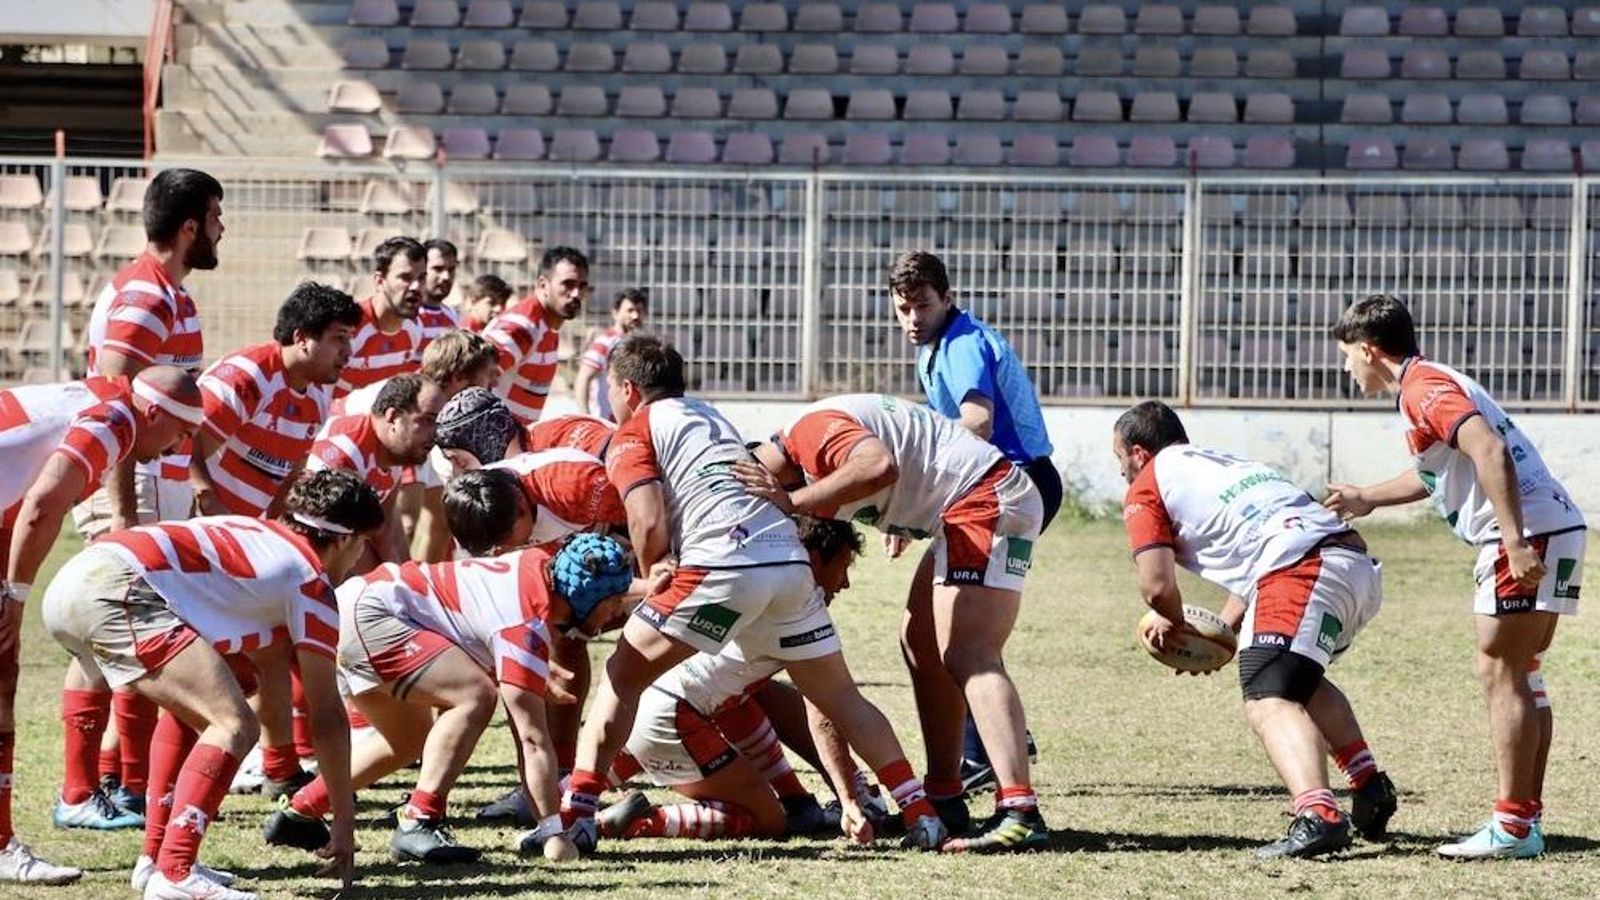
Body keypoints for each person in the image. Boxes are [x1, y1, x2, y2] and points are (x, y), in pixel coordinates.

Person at [558, 336, 947, 854]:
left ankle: (577, 814)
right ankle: (920, 812)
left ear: (626, 388)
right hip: (786, 564)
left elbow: (646, 518)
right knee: (841, 697)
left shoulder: (636, 430)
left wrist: (653, 575)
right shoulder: (710, 416)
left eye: (610, 390)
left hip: (723, 563)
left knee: (621, 678)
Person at [1323, 294, 1585, 860]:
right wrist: (1368, 496)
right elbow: (1440, 471)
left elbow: (1488, 450)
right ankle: (1525, 821)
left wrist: (1513, 540)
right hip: (1558, 526)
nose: (1346, 368)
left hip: (1525, 532)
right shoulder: (1432, 384)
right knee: (1523, 672)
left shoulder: (1422, 389)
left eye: (1347, 356)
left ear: (1369, 350)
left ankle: (1512, 829)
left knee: (1500, 671)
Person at [41, 469, 383, 900]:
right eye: (364, 542)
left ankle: (157, 860)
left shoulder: (260, 532)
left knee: (206, 706)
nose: (361, 555)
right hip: (116, 589)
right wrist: (345, 819)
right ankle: (177, 873)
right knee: (235, 724)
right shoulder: (311, 581)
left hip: (75, 581)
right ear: (344, 539)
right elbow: (328, 716)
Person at [735, 392, 1045, 852]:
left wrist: (790, 500)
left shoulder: (806, 434)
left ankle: (1020, 812)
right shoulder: (803, 453)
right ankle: (944, 796)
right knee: (919, 642)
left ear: (760, 472)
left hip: (982, 498)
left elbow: (880, 466)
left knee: (970, 654)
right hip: (966, 506)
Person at [1113, 400, 1392, 859]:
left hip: (1302, 567)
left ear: (1139, 453)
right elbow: (1258, 556)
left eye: (1120, 460)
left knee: (1269, 697)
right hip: (1351, 566)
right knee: (1296, 680)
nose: (1122, 472)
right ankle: (1368, 785)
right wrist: (1219, 632)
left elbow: (1157, 586)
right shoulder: (1226, 465)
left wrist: (1176, 622)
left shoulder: (1148, 484)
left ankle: (1318, 814)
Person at [262, 534, 649, 865]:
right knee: (475, 696)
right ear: (583, 595)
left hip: (361, 608)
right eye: (613, 599)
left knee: (407, 740)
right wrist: (552, 830)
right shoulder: (523, 623)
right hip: (374, 614)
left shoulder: (541, 570)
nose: (617, 610)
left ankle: (300, 811)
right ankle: (419, 820)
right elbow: (530, 739)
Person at [0, 368, 201, 884]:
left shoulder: (106, 394)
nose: (174, 450)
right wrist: (16, 595)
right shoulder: (115, 419)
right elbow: (42, 505)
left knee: (3, 677)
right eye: (179, 434)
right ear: (154, 413)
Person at [74, 169, 223, 820]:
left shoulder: (173, 294)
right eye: (216, 216)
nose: (223, 228)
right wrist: (123, 516)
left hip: (151, 487)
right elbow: (112, 408)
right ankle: (86, 791)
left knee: (138, 635)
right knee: (118, 632)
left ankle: (120, 781)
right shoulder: (145, 296)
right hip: (125, 487)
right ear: (189, 226)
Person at [887, 251, 1057, 792]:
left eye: (923, 305)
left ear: (948, 297)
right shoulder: (939, 344)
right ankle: (990, 742)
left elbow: (975, 426)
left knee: (948, 635)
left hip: (1007, 490)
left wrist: (912, 499)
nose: (913, 317)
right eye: (903, 307)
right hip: (994, 492)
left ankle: (980, 753)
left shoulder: (960, 345)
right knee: (937, 627)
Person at [598, 517, 869, 843]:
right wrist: (854, 794)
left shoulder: (743, 578)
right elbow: (824, 711)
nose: (845, 583)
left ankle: (564, 796)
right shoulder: (792, 611)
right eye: (842, 566)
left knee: (745, 695)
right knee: (768, 820)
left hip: (657, 702)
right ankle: (646, 821)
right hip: (673, 715)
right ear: (811, 560)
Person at [190, 282, 359, 518]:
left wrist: (271, 531)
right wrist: (210, 505)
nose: (348, 351)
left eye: (350, 338)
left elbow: (289, 477)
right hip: (195, 525)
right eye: (339, 338)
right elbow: (186, 446)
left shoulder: (318, 396)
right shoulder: (246, 379)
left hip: (243, 534)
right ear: (301, 338)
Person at [307, 373, 445, 563]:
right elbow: (330, 548)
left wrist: (407, 581)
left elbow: (388, 529)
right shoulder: (346, 451)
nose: (436, 434)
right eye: (428, 420)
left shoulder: (392, 452)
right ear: (393, 417)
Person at [483, 246, 589, 424]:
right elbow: (471, 379)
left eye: (582, 286)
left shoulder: (548, 328)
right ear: (543, 284)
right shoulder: (523, 326)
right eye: (567, 284)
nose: (576, 294)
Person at [337, 237, 426, 397]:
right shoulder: (348, 328)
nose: (416, 287)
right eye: (405, 278)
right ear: (379, 281)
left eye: (421, 278)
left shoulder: (414, 328)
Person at [573, 288, 647, 422]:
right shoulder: (605, 342)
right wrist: (587, 417)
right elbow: (583, 378)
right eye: (630, 310)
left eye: (639, 311)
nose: (635, 316)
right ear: (615, 313)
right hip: (605, 422)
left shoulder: (637, 345)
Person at [417, 239, 461, 352]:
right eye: (438, 269)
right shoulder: (405, 318)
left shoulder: (453, 316)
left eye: (451, 270)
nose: (446, 276)